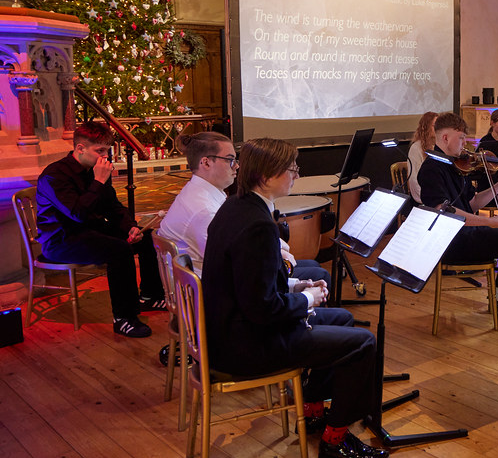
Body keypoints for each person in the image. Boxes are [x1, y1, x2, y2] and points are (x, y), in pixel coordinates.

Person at [201, 138, 386, 458]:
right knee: (363, 343)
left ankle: (314, 412)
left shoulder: (236, 207)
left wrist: (294, 283)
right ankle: (336, 440)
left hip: (230, 332)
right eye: (292, 169)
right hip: (248, 346)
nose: (296, 175)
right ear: (267, 176)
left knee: (342, 320)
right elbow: (262, 309)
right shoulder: (256, 225)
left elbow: (249, 283)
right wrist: (305, 297)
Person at [35, 121, 164, 338]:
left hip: (90, 232)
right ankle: (124, 318)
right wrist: (99, 181)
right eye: (100, 151)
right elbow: (77, 214)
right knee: (120, 250)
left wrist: (130, 227)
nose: (106, 157)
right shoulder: (54, 175)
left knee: (147, 237)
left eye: (107, 150)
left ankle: (150, 296)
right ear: (80, 149)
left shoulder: (94, 171)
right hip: (62, 240)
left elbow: (113, 208)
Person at [417, 112, 498, 332]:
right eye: (461, 138)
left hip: (465, 235)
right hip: (451, 242)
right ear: (445, 138)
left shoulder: (453, 165)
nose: (466, 144)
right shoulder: (431, 168)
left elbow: (473, 203)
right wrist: (489, 223)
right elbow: (446, 213)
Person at [158, 131, 330, 285]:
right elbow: (233, 260)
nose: (237, 166)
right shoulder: (203, 209)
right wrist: (279, 253)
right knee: (318, 273)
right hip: (212, 292)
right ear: (206, 163)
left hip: (209, 280)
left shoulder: (200, 192)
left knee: (311, 266)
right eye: (230, 160)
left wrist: (278, 249)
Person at [406, 111, 438, 203]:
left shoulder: (438, 147)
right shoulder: (416, 148)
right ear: (426, 127)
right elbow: (414, 180)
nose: (437, 129)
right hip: (423, 200)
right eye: (434, 125)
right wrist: (429, 199)